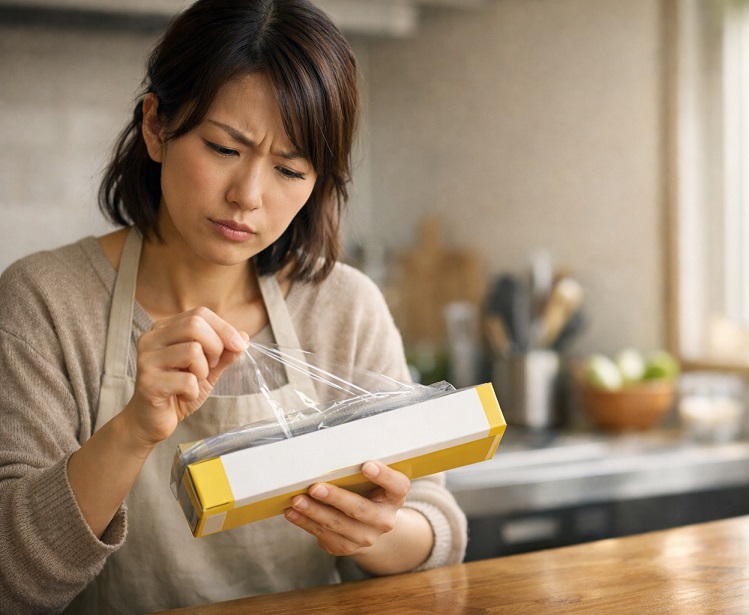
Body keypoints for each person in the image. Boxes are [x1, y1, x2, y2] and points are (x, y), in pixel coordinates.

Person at [0, 1, 468, 612]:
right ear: (155, 127)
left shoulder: (345, 306)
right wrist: (135, 428)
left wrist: (377, 534)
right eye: (224, 148)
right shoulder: (46, 301)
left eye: (289, 169)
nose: (248, 196)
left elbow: (438, 527)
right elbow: (12, 578)